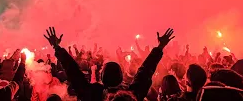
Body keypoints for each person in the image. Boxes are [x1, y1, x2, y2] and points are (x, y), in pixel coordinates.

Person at [44, 27, 175, 101]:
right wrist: (160, 47)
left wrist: (57, 47)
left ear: (101, 77)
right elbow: (145, 71)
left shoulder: (91, 94)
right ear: (121, 77)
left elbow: (73, 71)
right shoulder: (131, 94)